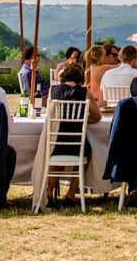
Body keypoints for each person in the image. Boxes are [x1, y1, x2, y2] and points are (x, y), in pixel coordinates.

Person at [45, 62, 101, 203]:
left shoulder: (53, 90)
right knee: (87, 151)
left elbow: (50, 113)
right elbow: (98, 116)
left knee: (57, 150)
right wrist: (81, 120)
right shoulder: (85, 92)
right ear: (80, 78)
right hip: (76, 144)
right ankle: (71, 191)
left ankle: (49, 190)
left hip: (56, 141)